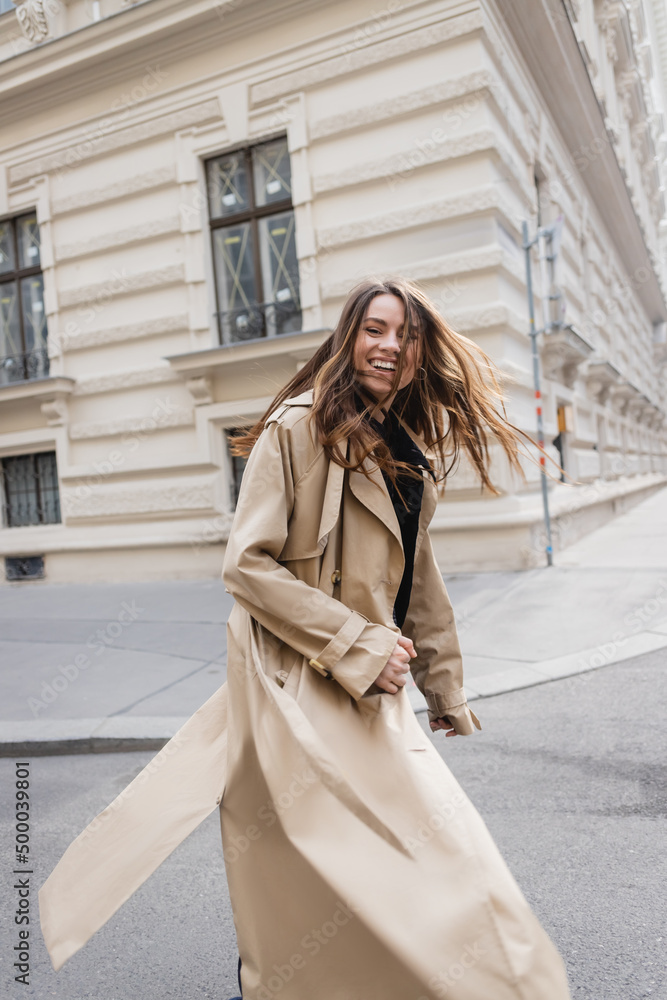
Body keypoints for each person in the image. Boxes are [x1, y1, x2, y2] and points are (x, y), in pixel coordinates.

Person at [39, 277, 571, 1000]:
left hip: (366, 683)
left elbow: (415, 579)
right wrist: (361, 646)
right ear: (348, 336)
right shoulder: (298, 427)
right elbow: (245, 565)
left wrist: (442, 686)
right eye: (375, 329)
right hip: (293, 682)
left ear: (421, 354)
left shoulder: (409, 450)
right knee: (322, 865)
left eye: (407, 336)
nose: (390, 346)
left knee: (426, 856)